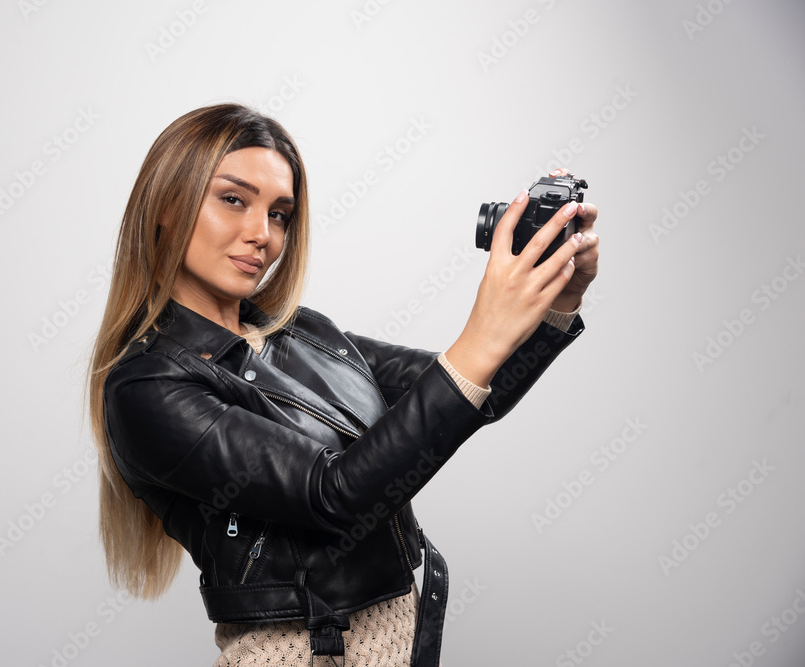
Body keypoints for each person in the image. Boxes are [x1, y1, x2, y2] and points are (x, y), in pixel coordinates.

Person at [86, 103, 599, 666]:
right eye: (233, 199)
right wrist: (483, 329)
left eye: (280, 214)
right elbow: (337, 496)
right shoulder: (147, 387)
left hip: (401, 634)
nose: (261, 234)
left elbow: (474, 390)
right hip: (306, 653)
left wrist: (558, 298)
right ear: (165, 204)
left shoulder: (302, 331)